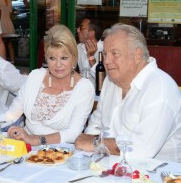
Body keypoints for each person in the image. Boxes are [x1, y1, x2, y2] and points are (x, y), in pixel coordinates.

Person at [0, 24, 95, 145]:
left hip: (61, 153)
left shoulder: (84, 88)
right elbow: (11, 115)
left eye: (64, 58)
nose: (58, 65)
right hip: (26, 149)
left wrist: (36, 140)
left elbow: (73, 133)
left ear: (74, 58)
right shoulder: (35, 77)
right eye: (52, 58)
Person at [75, 23, 181, 162]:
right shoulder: (110, 82)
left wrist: (95, 143)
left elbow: (141, 149)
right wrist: (92, 143)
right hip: (107, 169)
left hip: (159, 177)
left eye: (115, 54)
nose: (106, 61)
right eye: (105, 54)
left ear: (137, 55)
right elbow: (95, 125)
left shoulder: (159, 88)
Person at [76, 18, 104, 86]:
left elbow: (101, 79)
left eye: (81, 27)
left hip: (98, 94)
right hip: (81, 91)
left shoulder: (105, 49)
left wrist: (90, 57)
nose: (77, 30)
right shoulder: (78, 48)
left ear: (91, 32)